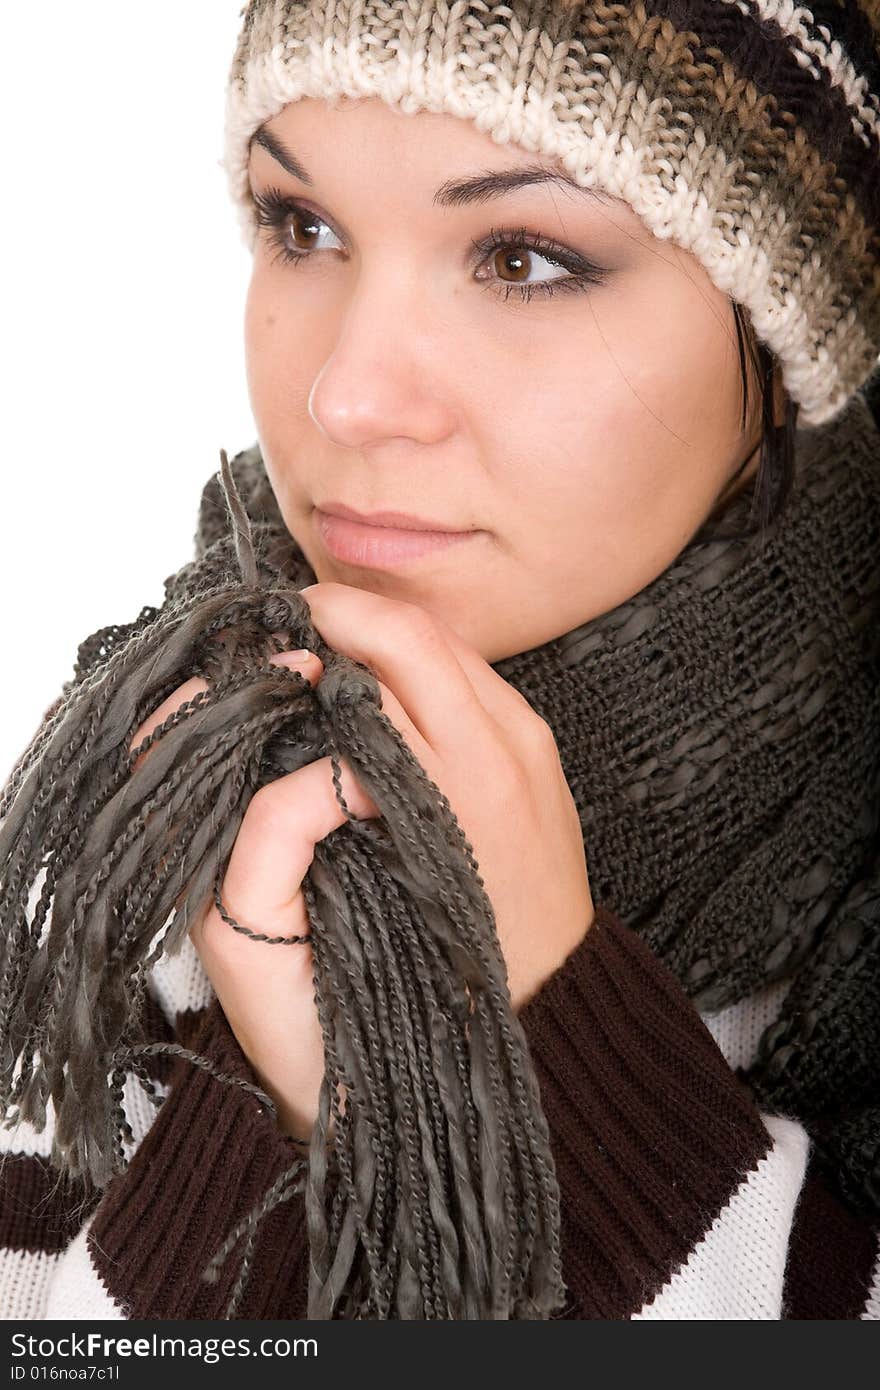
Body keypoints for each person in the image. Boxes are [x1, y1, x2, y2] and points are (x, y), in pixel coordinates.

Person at [1, 0, 879, 1319]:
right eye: (303, 226)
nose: (345, 395)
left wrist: (564, 1057)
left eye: (524, 256)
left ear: (789, 323)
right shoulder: (133, 804)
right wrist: (284, 1121)